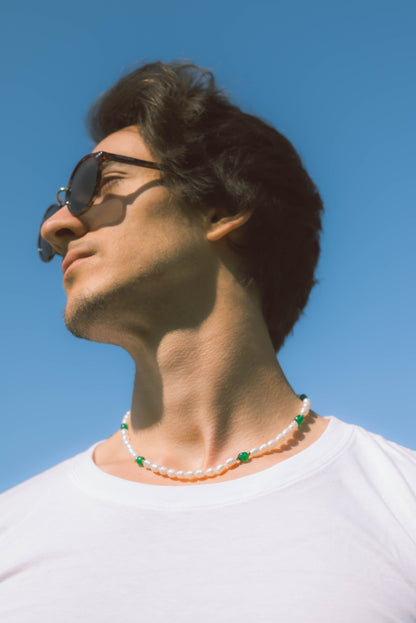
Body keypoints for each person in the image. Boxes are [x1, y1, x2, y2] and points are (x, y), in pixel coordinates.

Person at [1, 61, 415, 622]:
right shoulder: (13, 533)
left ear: (220, 209)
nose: (56, 226)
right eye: (58, 205)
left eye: (96, 185)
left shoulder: (401, 506)